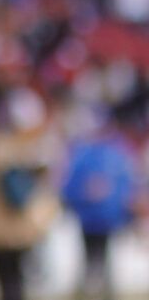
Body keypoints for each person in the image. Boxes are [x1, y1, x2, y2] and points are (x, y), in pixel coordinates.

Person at [0, 89, 62, 300]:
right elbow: (26, 193)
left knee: (6, 281)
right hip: (14, 228)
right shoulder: (16, 150)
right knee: (14, 282)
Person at [61, 113, 138, 300]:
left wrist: (126, 211)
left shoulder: (117, 155)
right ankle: (88, 290)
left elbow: (127, 187)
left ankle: (105, 290)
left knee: (106, 258)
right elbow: (68, 187)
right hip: (89, 218)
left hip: (108, 218)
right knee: (90, 258)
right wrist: (84, 193)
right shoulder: (82, 155)